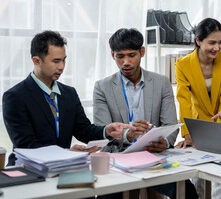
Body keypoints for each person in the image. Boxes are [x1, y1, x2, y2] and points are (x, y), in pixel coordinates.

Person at [2, 30, 134, 166]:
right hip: (28, 171)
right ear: (36, 61)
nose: (62, 67)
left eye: (64, 60)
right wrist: (67, 153)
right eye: (56, 61)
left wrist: (106, 131)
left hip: (62, 169)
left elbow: (83, 130)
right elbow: (26, 145)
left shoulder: (69, 93)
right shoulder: (15, 96)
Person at [93, 28, 198, 199]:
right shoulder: (102, 87)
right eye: (120, 56)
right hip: (119, 157)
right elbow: (102, 130)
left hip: (154, 156)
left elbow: (171, 125)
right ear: (112, 55)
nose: (126, 62)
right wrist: (128, 134)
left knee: (187, 192)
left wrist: (165, 143)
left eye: (131, 55)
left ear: (142, 52)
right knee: (107, 197)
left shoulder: (161, 82)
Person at [175, 18, 221, 199]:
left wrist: (218, 137)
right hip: (199, 125)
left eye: (220, 42)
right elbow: (184, 101)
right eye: (212, 42)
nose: (217, 47)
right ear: (198, 41)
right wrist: (188, 134)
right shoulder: (183, 64)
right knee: (199, 179)